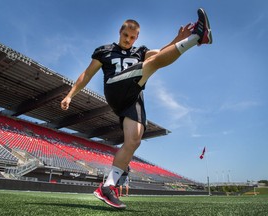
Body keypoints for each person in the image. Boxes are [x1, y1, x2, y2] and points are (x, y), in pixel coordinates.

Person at [61, 8, 212, 209]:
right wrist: (70, 95)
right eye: (125, 35)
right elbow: (87, 74)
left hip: (134, 97)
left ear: (137, 37)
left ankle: (107, 187)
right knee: (149, 65)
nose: (128, 40)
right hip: (116, 88)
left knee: (134, 140)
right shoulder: (104, 51)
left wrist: (177, 38)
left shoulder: (139, 51)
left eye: (132, 37)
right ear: (119, 32)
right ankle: (197, 38)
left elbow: (160, 54)